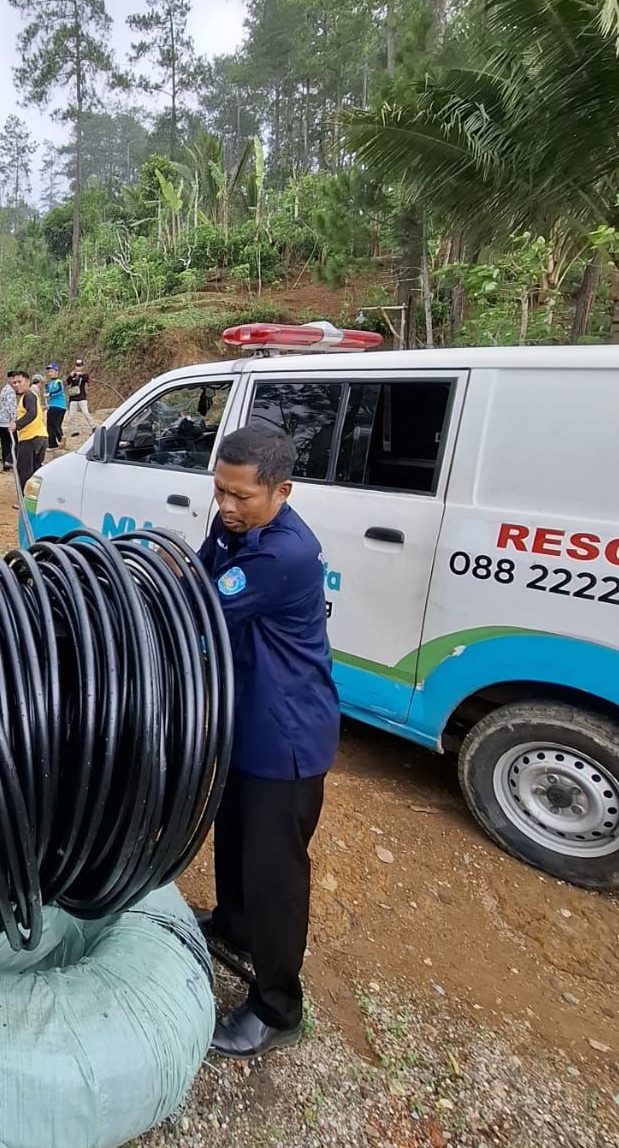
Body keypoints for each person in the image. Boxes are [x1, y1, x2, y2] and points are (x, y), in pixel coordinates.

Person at [195, 425, 340, 1060]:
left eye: (241, 496)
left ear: (282, 491)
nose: (226, 506)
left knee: (274, 873)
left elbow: (196, 606)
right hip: (245, 718)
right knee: (234, 835)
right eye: (220, 491)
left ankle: (277, 1008)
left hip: (286, 737)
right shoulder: (233, 529)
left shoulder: (284, 556)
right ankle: (235, 926)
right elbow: (199, 571)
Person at [9, 368, 47, 495]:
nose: (16, 385)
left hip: (30, 438)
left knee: (25, 471)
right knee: (35, 471)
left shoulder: (28, 395)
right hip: (40, 437)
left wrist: (17, 424)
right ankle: (34, 499)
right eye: (14, 383)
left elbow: (32, 413)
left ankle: (24, 500)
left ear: (28, 382)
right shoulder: (31, 396)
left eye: (19, 382)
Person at [66, 359, 94, 444]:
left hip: (82, 397)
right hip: (73, 398)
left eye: (80, 366)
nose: (78, 367)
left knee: (85, 413)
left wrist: (81, 375)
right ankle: (75, 430)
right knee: (72, 415)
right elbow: (67, 382)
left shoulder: (84, 375)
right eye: (77, 366)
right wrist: (71, 375)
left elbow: (88, 380)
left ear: (82, 367)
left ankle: (93, 427)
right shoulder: (72, 375)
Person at [0, 371, 18, 471]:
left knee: (4, 443)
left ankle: (5, 464)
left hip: (0, 420)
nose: (15, 382)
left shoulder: (4, 389)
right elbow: (10, 406)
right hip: (8, 421)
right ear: (9, 379)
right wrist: (13, 419)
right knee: (14, 442)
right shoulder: (11, 391)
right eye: (13, 379)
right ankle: (9, 461)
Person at [44, 362, 68, 449]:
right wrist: (46, 385)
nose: (50, 373)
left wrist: (50, 394)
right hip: (52, 405)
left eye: (52, 371)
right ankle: (53, 443)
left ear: (56, 372)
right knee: (50, 424)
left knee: (55, 424)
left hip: (58, 405)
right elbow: (47, 391)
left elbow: (59, 390)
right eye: (49, 371)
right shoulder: (50, 382)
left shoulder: (58, 381)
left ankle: (61, 440)